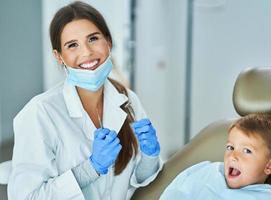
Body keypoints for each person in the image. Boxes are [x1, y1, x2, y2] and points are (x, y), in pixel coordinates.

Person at [8, 1, 163, 199]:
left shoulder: (128, 100)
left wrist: (150, 157)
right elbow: (26, 196)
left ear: (108, 42)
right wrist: (90, 169)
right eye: (72, 45)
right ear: (59, 57)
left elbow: (137, 181)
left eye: (93, 39)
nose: (87, 52)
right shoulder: (40, 113)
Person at [160, 113, 271, 200]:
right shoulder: (205, 172)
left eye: (247, 151)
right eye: (230, 147)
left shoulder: (267, 198)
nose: (233, 156)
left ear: (270, 166)